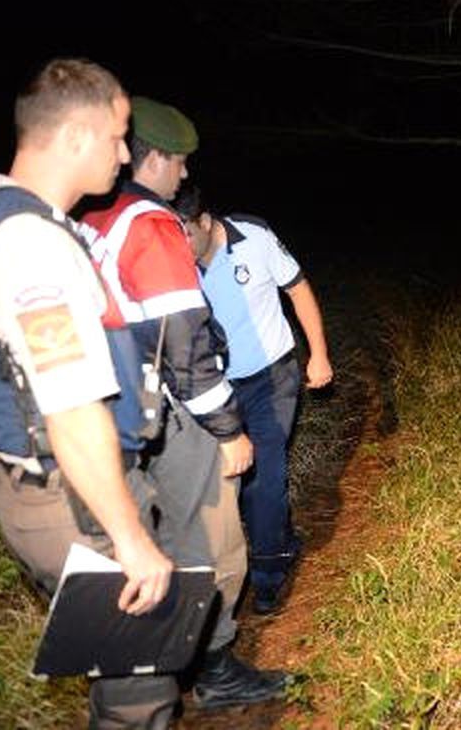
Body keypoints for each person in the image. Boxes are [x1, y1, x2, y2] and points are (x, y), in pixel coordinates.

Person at [0, 58, 178, 726]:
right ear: (77, 138)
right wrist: (129, 537)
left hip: (55, 487)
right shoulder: (32, 245)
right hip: (72, 494)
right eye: (117, 136)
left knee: (122, 674)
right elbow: (72, 408)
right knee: (140, 687)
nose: (124, 153)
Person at [79, 96, 287, 709]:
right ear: (157, 158)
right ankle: (213, 669)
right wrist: (229, 430)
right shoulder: (152, 227)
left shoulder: (89, 220)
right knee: (215, 541)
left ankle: (135, 687)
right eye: (182, 162)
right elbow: (186, 346)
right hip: (167, 413)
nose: (186, 176)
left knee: (135, 550)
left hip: (98, 421)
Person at [173, 186, 333, 613]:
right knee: (236, 477)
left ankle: (267, 574)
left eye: (185, 233)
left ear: (204, 221)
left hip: (272, 376)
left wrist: (318, 353)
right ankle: (280, 539)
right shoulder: (171, 262)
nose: (178, 245)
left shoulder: (254, 237)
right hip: (216, 390)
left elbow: (297, 288)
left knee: (264, 472)